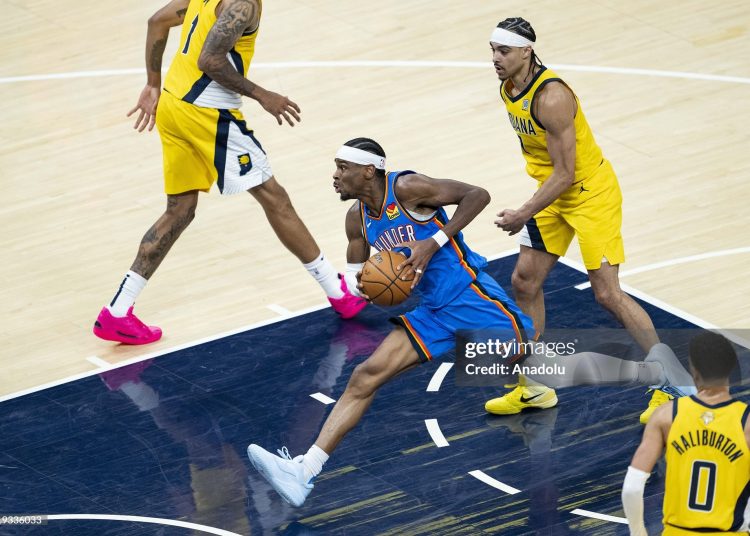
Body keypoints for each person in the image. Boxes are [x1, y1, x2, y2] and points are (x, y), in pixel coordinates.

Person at [245, 139, 695, 508]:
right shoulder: (356, 217)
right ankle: (305, 471)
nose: (334, 175)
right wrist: (367, 279)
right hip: (431, 312)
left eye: (342, 168)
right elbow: (360, 266)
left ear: (369, 171)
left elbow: (477, 194)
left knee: (538, 362)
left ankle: (656, 373)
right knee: (365, 376)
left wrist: (430, 243)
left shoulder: (408, 189)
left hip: (472, 299)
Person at [93, 0, 364, 345]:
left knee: (180, 210)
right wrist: (264, 95)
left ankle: (117, 311)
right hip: (208, 114)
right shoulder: (244, 4)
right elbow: (210, 61)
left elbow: (156, 21)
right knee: (274, 198)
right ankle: (338, 292)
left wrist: (152, 84)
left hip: (173, 106)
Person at [484, 17, 668, 422]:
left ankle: (670, 386)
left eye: (504, 51)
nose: (495, 59)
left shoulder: (552, 97)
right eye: (493, 50)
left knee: (608, 294)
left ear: (527, 51)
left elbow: (567, 172)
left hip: (588, 194)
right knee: (524, 281)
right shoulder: (508, 87)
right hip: (552, 193)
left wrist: (522, 213)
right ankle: (533, 389)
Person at [621, 332, 749, 535]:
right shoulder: (747, 422)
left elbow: (632, 487)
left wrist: (639, 532)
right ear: (732, 368)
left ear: (693, 370)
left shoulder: (666, 415)